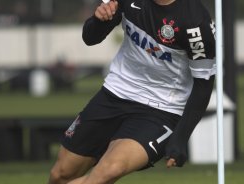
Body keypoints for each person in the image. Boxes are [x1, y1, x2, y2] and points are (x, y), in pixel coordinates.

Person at [48, 0, 216, 183]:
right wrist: (99, 20)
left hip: (161, 110)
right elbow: (90, 37)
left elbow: (203, 85)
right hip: (114, 94)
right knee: (61, 175)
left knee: (108, 171)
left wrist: (181, 137)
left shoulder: (196, 22)